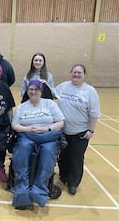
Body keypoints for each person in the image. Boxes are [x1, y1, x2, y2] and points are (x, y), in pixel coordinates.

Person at [11, 80, 64, 209]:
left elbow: (61, 122)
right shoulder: (22, 107)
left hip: (48, 137)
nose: (33, 92)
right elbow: (14, 125)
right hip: (27, 136)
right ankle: (22, 191)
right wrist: (28, 129)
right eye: (31, 89)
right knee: (22, 149)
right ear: (27, 91)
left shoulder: (50, 104)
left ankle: (39, 189)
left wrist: (47, 129)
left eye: (36, 89)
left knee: (48, 151)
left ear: (41, 91)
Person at [54, 64, 100, 195]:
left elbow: (95, 113)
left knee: (76, 158)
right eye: (74, 72)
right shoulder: (64, 86)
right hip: (63, 131)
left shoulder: (90, 91)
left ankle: (73, 182)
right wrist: (43, 82)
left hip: (80, 132)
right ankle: (63, 176)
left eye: (79, 73)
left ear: (84, 75)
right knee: (63, 157)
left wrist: (91, 130)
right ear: (70, 73)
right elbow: (51, 92)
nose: (76, 75)